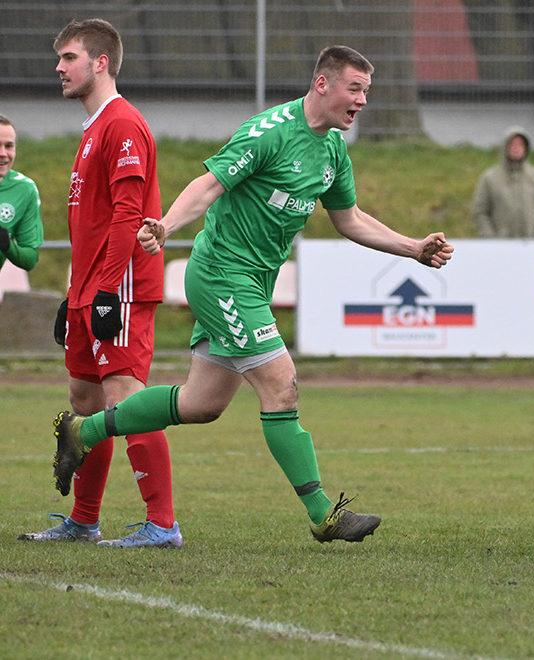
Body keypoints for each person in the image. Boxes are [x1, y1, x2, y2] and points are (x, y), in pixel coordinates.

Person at [50, 45, 455, 544]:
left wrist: (412, 248)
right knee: (280, 383)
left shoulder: (332, 150)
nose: (362, 101)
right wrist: (166, 225)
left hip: (253, 283)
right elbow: (209, 184)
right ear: (322, 85)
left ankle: (83, 432)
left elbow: (348, 218)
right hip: (222, 272)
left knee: (201, 404)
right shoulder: (269, 132)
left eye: (367, 91)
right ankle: (323, 513)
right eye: (355, 89)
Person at [19, 19, 182, 548]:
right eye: (59, 58)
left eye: (68, 57)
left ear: (100, 62)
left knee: (127, 398)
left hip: (123, 288)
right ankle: (84, 521)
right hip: (91, 289)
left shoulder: (122, 124)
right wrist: (75, 292)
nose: (59, 67)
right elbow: (91, 225)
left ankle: (162, 525)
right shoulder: (93, 129)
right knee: (85, 400)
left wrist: (109, 288)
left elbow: (129, 215)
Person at [471, 127, 534, 238]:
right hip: (499, 247)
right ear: (505, 147)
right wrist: (490, 238)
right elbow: (480, 211)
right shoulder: (489, 177)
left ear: (526, 148)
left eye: (520, 145)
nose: (516, 148)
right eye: (512, 144)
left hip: (531, 245)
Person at [0, 114, 44, 275]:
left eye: (9, 146)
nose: (3, 153)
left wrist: (7, 245)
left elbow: (30, 258)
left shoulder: (24, 189)